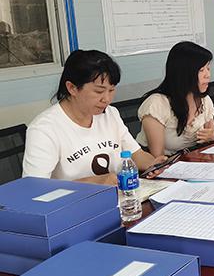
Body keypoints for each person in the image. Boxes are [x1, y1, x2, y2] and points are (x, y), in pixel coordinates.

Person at [23, 50, 165, 185]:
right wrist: (95, 182)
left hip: (121, 195)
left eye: (111, 90)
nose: (107, 99)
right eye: (98, 91)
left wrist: (153, 164)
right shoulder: (44, 129)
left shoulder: (110, 114)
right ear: (72, 88)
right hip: (75, 201)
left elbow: (135, 154)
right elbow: (35, 188)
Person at [136, 41, 214, 157]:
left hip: (193, 161)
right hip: (163, 164)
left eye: (208, 68)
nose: (207, 75)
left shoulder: (204, 100)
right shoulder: (156, 104)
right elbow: (157, 159)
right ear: (183, 73)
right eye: (201, 70)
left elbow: (212, 137)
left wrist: (211, 136)